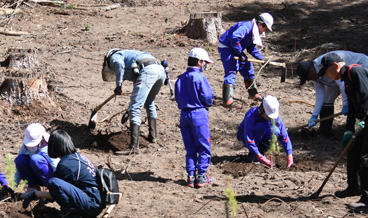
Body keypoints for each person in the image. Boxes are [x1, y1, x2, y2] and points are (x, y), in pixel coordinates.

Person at [22, 129, 104, 218]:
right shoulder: (78, 156)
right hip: (95, 203)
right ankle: (78, 213)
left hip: (90, 204)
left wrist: (36, 194)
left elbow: (55, 194)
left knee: (53, 182)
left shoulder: (65, 165)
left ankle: (77, 216)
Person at [319, 53, 368, 208]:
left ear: (336, 66)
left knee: (366, 158)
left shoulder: (355, 71)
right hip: (362, 120)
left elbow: (365, 98)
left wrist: (361, 121)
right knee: (353, 152)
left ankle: (366, 200)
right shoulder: (345, 80)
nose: (327, 75)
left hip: (366, 119)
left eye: (327, 71)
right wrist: (349, 129)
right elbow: (353, 106)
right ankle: (353, 188)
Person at [102, 48, 166, 155]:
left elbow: (119, 64)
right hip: (160, 70)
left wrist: (118, 85)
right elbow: (138, 86)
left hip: (148, 71)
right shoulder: (133, 56)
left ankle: (133, 147)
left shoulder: (114, 56)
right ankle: (152, 136)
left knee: (135, 107)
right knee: (149, 102)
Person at [297, 50, 368, 135]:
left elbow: (343, 84)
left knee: (359, 98)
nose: (308, 80)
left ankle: (361, 123)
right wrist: (314, 116)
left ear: (312, 71)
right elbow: (320, 96)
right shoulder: (317, 74)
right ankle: (325, 130)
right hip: (341, 77)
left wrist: (345, 105)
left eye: (307, 78)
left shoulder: (327, 65)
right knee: (327, 99)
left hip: (361, 65)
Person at [174, 48, 215, 188]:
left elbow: (177, 97)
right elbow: (208, 98)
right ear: (199, 62)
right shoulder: (200, 78)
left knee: (190, 147)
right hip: (198, 114)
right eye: (205, 63)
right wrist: (208, 103)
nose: (205, 66)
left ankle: (191, 176)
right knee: (203, 146)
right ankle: (201, 176)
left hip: (184, 115)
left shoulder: (180, 78)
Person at [218, 12, 274, 109]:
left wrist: (262, 58)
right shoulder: (246, 27)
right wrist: (240, 53)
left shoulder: (254, 32)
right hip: (226, 47)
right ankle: (227, 101)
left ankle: (253, 94)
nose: (265, 31)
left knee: (247, 66)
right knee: (232, 69)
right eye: (265, 28)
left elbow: (251, 48)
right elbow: (234, 38)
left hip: (235, 48)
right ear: (261, 24)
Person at [237, 96, 294, 168]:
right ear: (262, 110)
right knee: (260, 127)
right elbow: (249, 138)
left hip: (262, 133)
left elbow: (285, 137)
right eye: (269, 116)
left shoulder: (276, 117)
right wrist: (260, 157)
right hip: (244, 135)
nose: (271, 118)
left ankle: (261, 151)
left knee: (275, 130)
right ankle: (254, 154)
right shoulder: (251, 115)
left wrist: (289, 156)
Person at [14, 123, 59, 191]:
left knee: (35, 159)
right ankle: (33, 187)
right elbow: (18, 168)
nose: (31, 148)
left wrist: (59, 187)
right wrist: (13, 186)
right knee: (20, 160)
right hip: (36, 176)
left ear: (42, 139)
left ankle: (51, 188)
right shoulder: (25, 147)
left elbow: (56, 167)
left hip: (49, 177)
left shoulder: (49, 146)